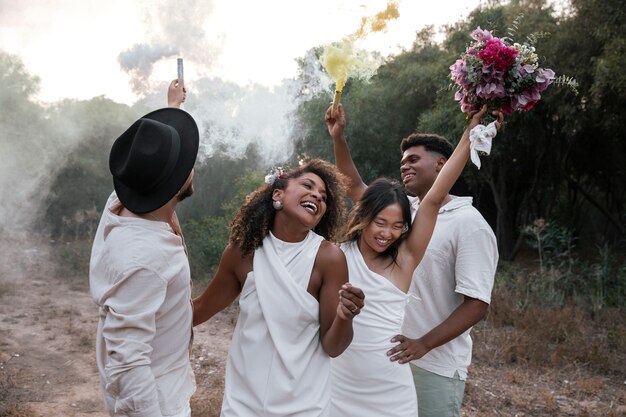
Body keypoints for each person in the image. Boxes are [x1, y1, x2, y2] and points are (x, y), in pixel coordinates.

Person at [326, 104, 501, 417]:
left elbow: (435, 197)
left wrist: (470, 132)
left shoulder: (438, 234)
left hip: (421, 365)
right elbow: (352, 184)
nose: (389, 232)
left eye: (414, 160)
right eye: (381, 222)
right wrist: (338, 137)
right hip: (348, 368)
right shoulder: (399, 208)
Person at [192, 159, 365, 417]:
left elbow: (333, 347)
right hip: (243, 403)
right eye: (308, 185)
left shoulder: (328, 258)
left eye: (323, 196)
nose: (317, 195)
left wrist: (345, 316)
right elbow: (200, 309)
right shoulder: (243, 252)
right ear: (277, 194)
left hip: (303, 405)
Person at [89, 79, 198, 417]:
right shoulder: (145, 259)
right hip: (158, 403)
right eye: (184, 164)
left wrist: (173, 107)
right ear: (170, 183)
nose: (191, 166)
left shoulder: (122, 202)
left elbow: (148, 157)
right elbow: (128, 366)